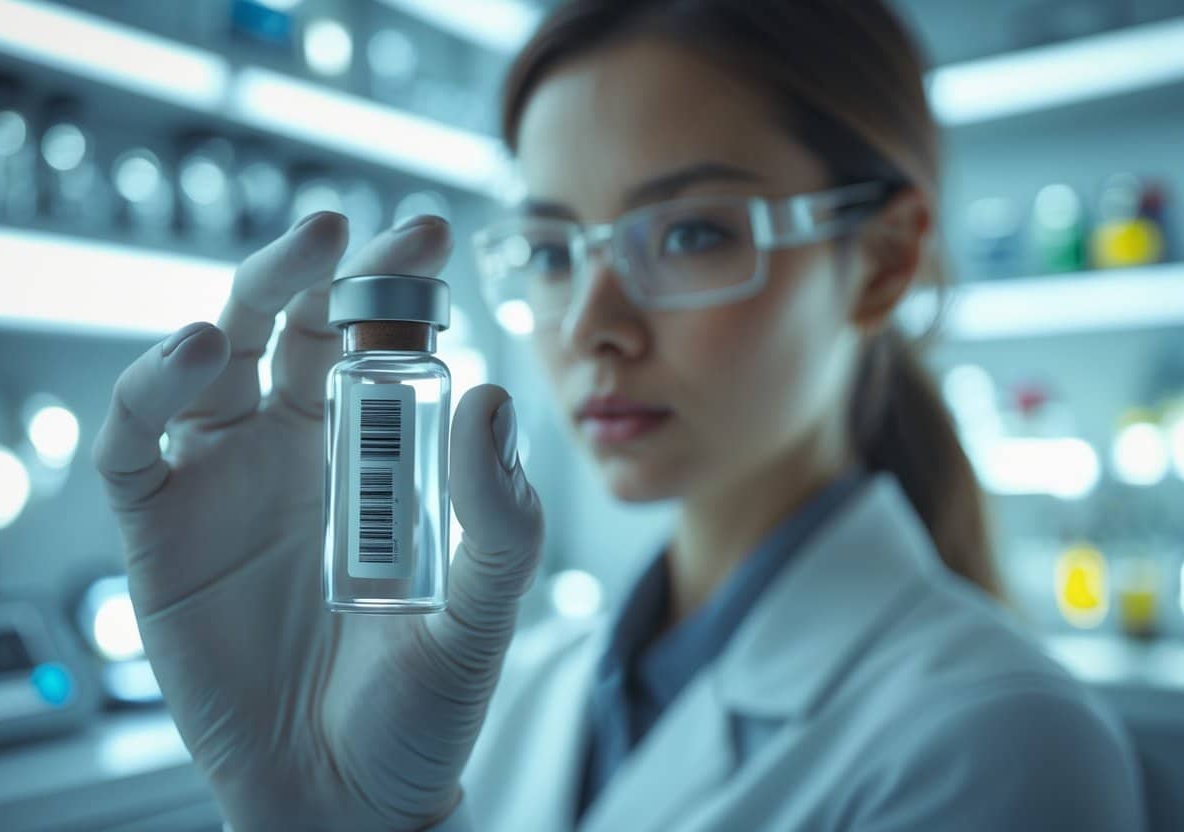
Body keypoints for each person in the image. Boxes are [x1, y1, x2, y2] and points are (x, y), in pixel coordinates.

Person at [93, 1, 1146, 830]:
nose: (592, 324)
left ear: (877, 262)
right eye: (551, 251)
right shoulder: (517, 684)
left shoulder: (1004, 742)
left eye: (688, 234)